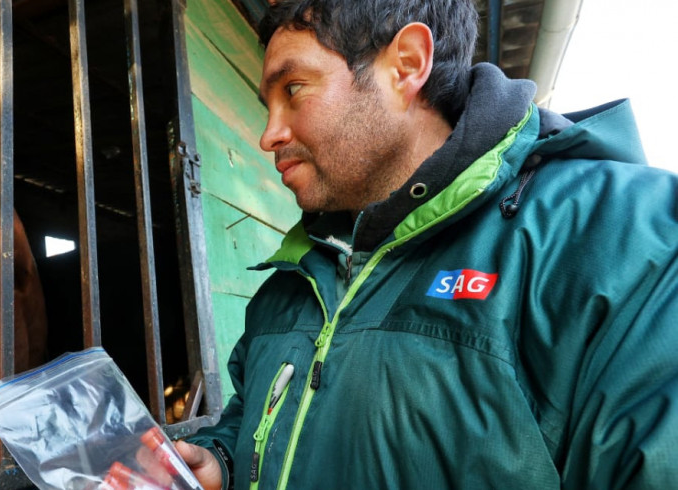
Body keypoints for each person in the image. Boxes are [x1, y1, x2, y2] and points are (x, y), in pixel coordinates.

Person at [173, 0, 678, 488]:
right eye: (268, 105)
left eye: (295, 88)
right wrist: (223, 460)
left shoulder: (616, 235)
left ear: (407, 65)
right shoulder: (296, 274)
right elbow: (263, 416)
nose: (269, 134)